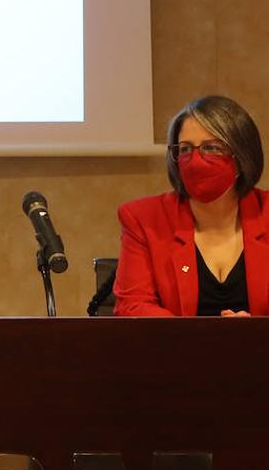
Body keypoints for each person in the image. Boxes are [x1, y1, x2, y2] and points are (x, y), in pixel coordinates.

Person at [114, 94, 268, 316]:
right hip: (172, 340)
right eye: (185, 149)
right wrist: (195, 333)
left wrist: (255, 328)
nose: (195, 161)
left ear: (242, 155)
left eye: (212, 147)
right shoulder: (145, 219)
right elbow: (133, 305)